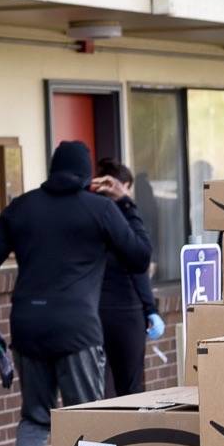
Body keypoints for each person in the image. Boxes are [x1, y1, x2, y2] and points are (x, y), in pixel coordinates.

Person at [0, 139, 151, 446]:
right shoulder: (101, 209)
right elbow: (139, 256)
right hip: (78, 331)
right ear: (88, 175)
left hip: (28, 326)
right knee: (87, 421)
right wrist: (125, 202)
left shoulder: (22, 208)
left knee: (35, 417)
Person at [95, 159, 163, 398]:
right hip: (125, 309)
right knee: (131, 391)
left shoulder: (87, 213)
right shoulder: (123, 215)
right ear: (121, 185)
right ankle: (128, 435)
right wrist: (149, 308)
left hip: (91, 311)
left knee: (96, 390)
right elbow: (139, 264)